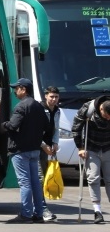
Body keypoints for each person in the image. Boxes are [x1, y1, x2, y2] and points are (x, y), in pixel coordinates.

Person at [1, 78, 51, 224]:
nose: (15, 91)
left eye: (16, 88)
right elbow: (47, 126)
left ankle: (26, 214)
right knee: (35, 182)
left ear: (24, 89)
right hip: (34, 149)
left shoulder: (21, 107)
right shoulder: (38, 106)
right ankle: (39, 213)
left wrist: (4, 124)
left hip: (20, 149)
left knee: (25, 183)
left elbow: (13, 125)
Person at [72, 96, 110, 224]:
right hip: (92, 147)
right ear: (101, 109)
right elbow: (76, 127)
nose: (108, 118)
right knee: (93, 177)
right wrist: (80, 147)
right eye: (107, 116)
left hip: (108, 147)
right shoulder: (88, 108)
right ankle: (97, 211)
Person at [39, 86, 63, 222]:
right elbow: (35, 131)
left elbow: (56, 128)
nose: (54, 99)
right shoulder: (40, 109)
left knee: (43, 177)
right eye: (51, 96)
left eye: (56, 97)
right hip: (37, 147)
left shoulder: (57, 111)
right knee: (39, 178)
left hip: (47, 147)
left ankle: (38, 208)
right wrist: (43, 146)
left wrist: (55, 142)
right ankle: (42, 209)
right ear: (45, 96)